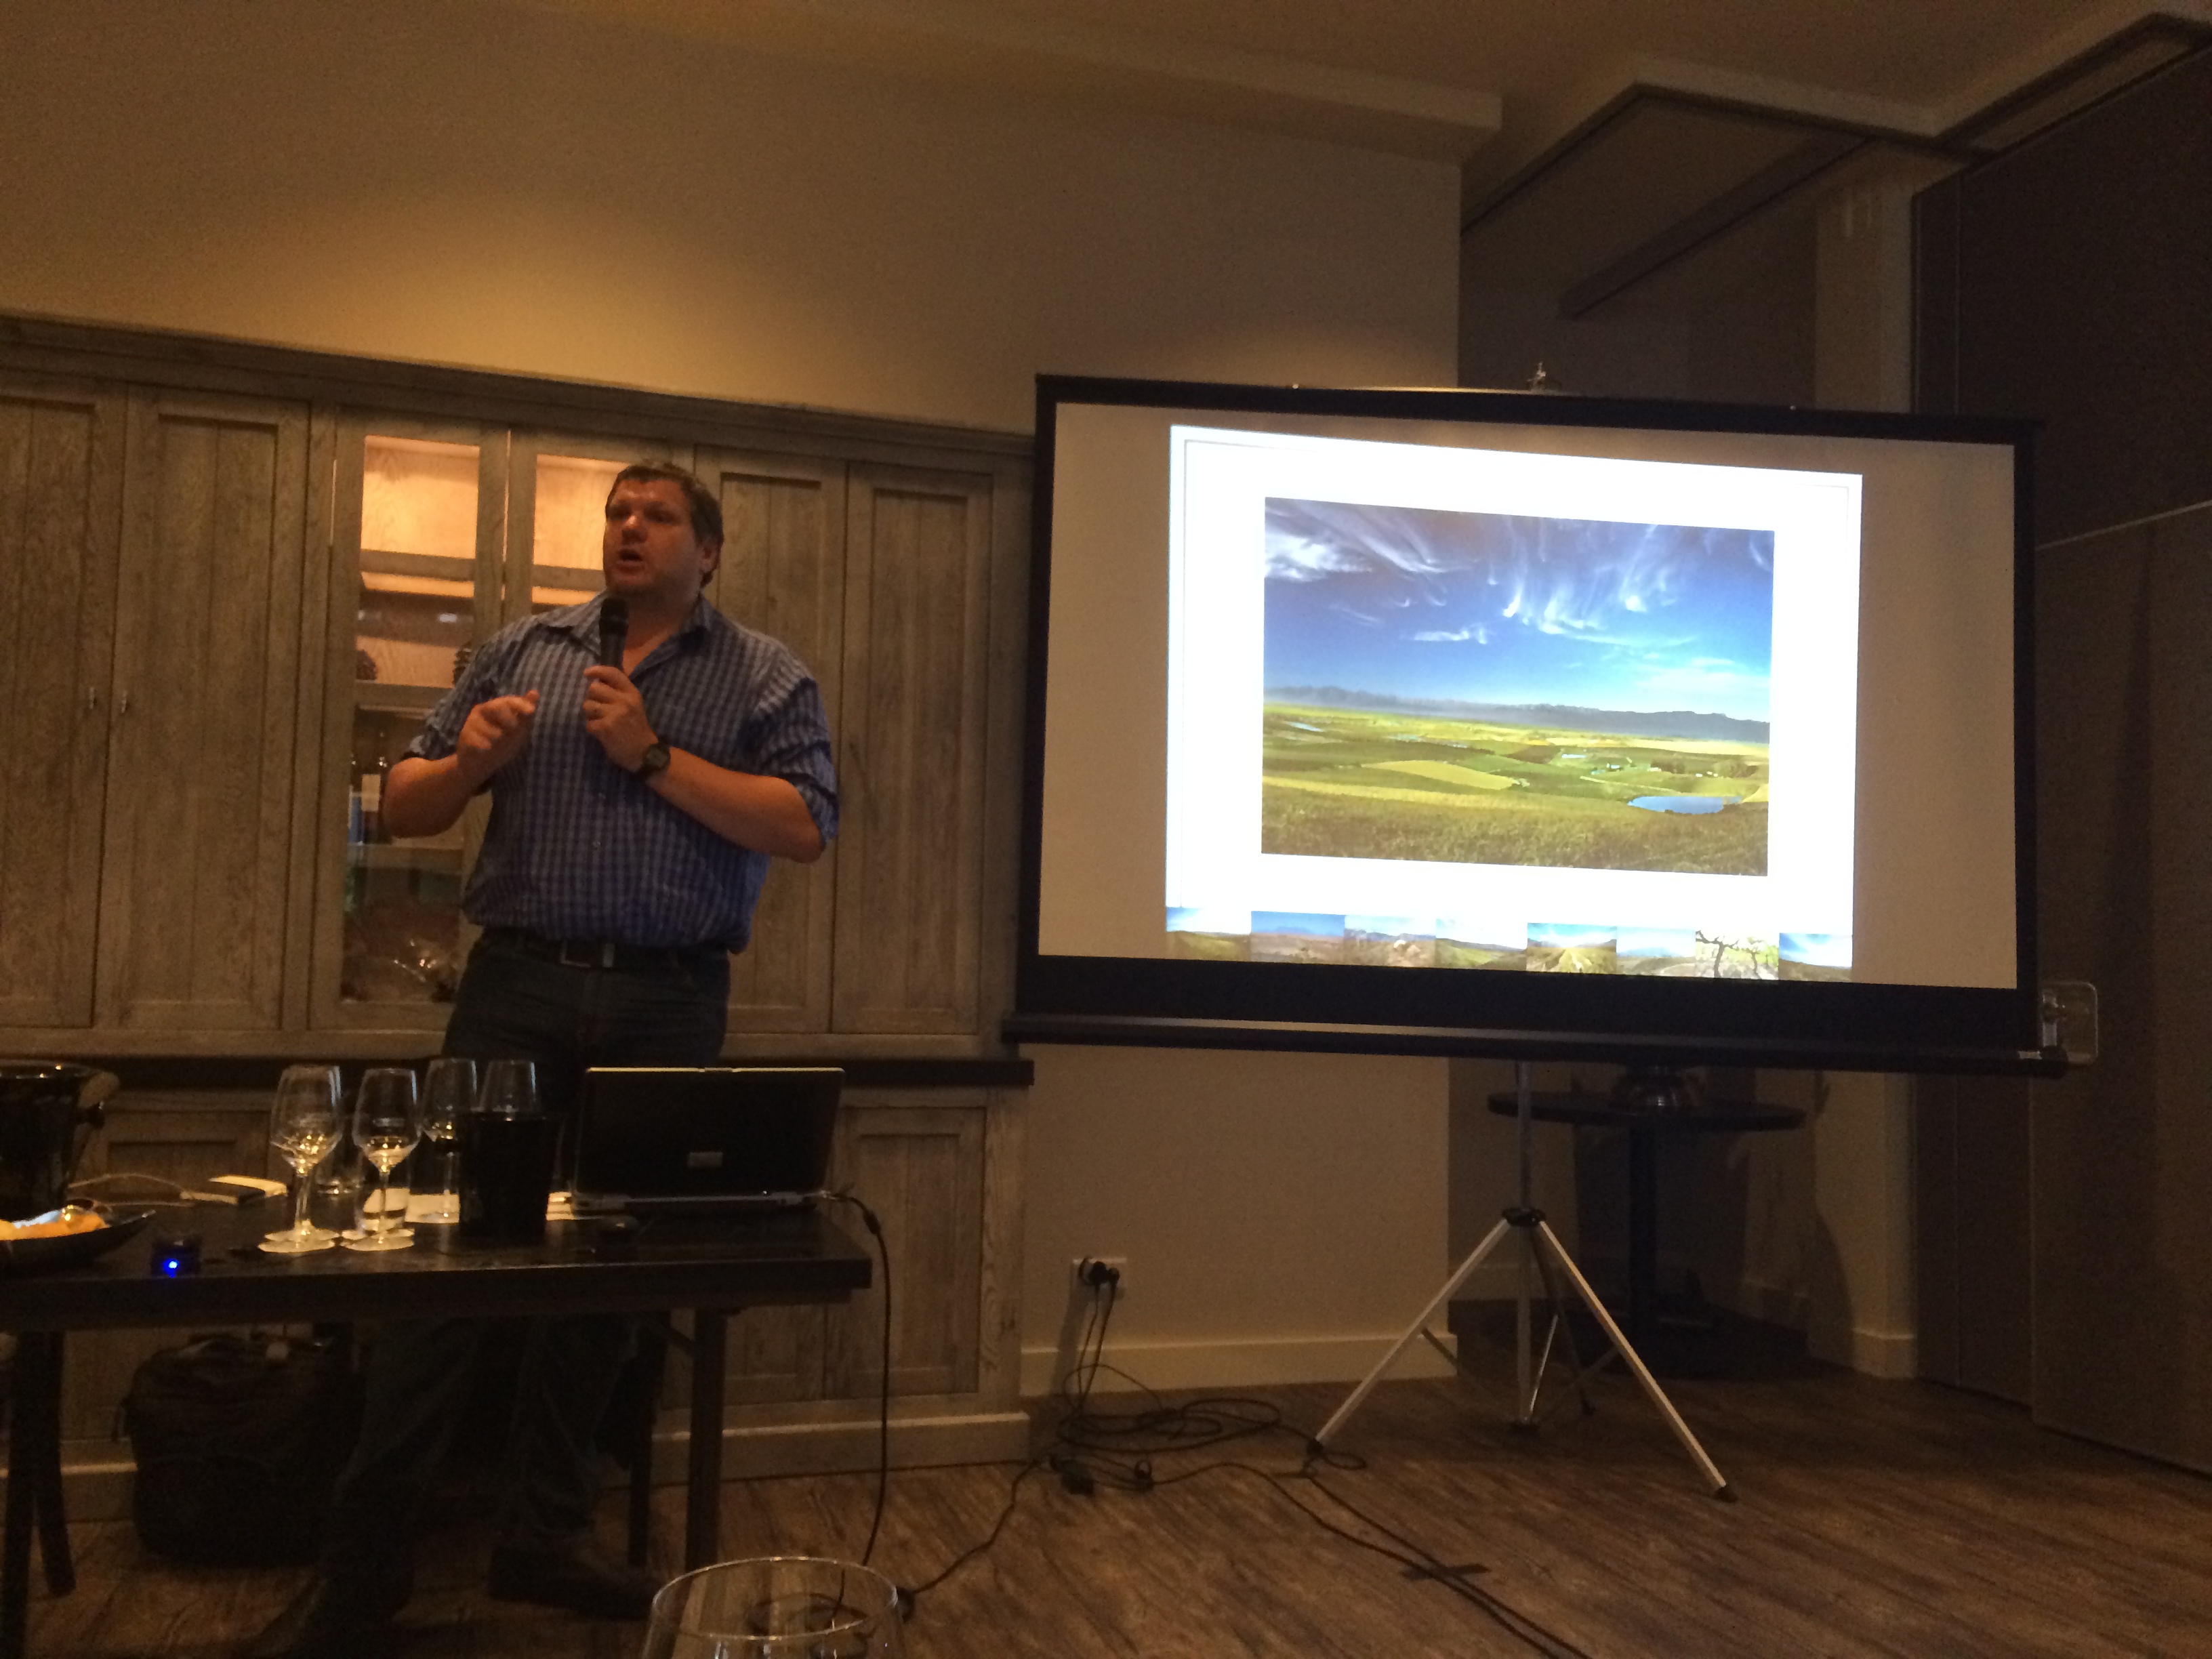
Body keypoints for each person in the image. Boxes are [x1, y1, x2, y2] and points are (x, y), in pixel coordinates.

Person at [245, 462, 837, 1659]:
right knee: (439, 1268)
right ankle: (363, 1573)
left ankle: (546, 1537)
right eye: (617, 513)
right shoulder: (522, 651)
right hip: (516, 988)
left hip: (670, 999)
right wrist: (468, 759)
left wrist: (653, 754)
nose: (629, 529)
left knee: (609, 1292)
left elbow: (805, 824)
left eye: (658, 516)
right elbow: (403, 808)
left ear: (709, 551)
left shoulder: (764, 673)